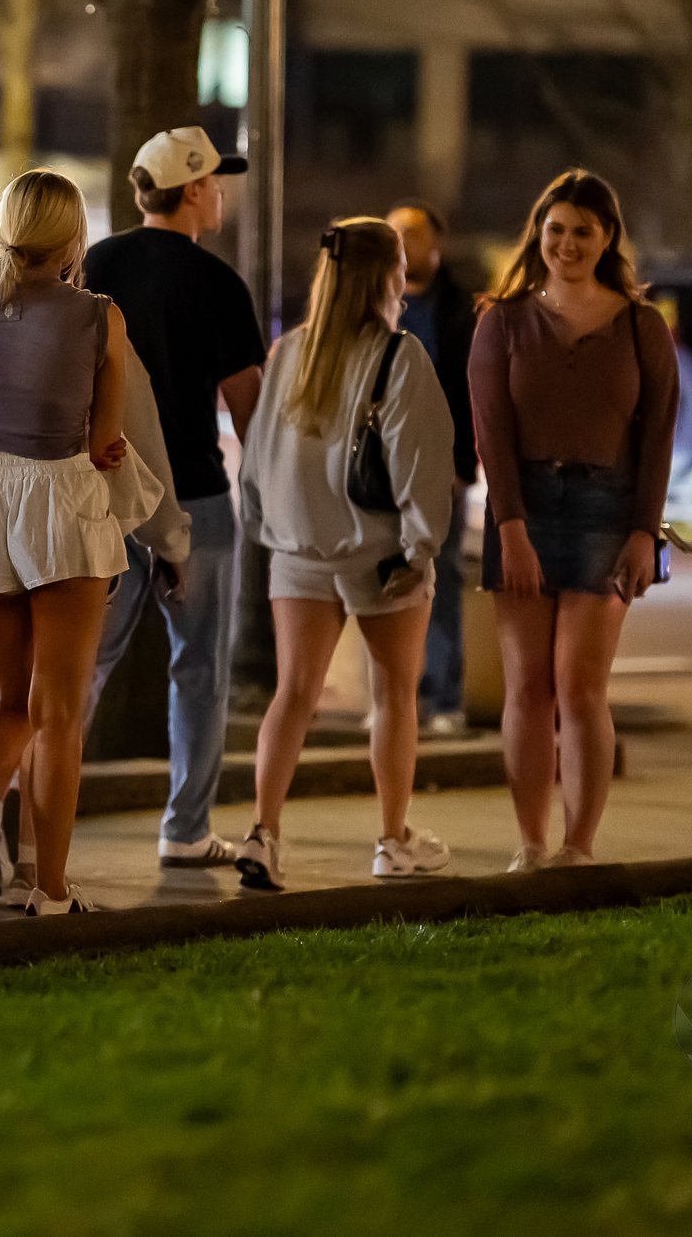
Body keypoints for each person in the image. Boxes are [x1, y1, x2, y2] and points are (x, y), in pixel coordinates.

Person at [0, 170, 154, 919]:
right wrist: (102, 447)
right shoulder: (98, 315)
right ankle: (50, 889)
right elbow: (106, 438)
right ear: (73, 235)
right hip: (58, 499)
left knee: (11, 696)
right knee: (61, 713)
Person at [236, 218, 456, 887]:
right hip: (380, 551)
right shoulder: (399, 355)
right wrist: (422, 547)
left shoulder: (289, 353)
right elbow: (421, 463)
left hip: (297, 548)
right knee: (393, 693)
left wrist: (265, 525)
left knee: (293, 693)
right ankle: (392, 839)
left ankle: (263, 831)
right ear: (391, 276)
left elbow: (256, 457)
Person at [470, 171, 679, 871]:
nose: (566, 243)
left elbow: (658, 435)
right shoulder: (502, 320)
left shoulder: (641, 324)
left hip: (607, 507)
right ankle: (530, 843)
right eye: (555, 229)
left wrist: (644, 530)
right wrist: (510, 525)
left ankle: (578, 846)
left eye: (583, 231)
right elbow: (490, 432)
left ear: (608, 238)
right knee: (528, 683)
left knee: (580, 682)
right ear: (539, 233)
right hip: (522, 505)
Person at [78, 126, 267, 870]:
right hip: (197, 497)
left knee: (83, 663)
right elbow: (248, 407)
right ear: (193, 189)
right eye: (217, 181)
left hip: (111, 493)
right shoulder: (219, 283)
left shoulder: (98, 263)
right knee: (199, 668)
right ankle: (186, 827)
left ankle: (25, 813)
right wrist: (267, 492)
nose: (223, 193)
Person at [387, 203, 481, 739]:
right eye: (394, 231)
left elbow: (471, 391)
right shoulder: (374, 302)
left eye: (412, 233)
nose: (401, 241)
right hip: (381, 473)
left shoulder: (459, 310)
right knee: (384, 583)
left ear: (435, 247)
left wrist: (462, 464)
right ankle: (398, 699)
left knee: (440, 583)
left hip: (439, 468)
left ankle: (445, 697)